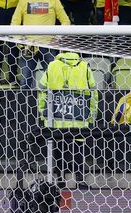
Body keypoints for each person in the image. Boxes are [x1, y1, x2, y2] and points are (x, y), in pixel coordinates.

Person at [38, 52, 98, 189]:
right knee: (78, 150)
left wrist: (43, 112)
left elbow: (41, 89)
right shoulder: (84, 66)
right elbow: (94, 91)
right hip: (78, 117)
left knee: (58, 149)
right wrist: (92, 114)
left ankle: (60, 180)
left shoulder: (52, 65)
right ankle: (80, 180)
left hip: (56, 117)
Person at [11, 0, 70, 89]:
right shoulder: (24, 0)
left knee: (54, 81)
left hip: (48, 45)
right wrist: (19, 42)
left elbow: (66, 21)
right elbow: (15, 22)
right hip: (28, 46)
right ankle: (26, 107)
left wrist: (58, 39)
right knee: (25, 83)